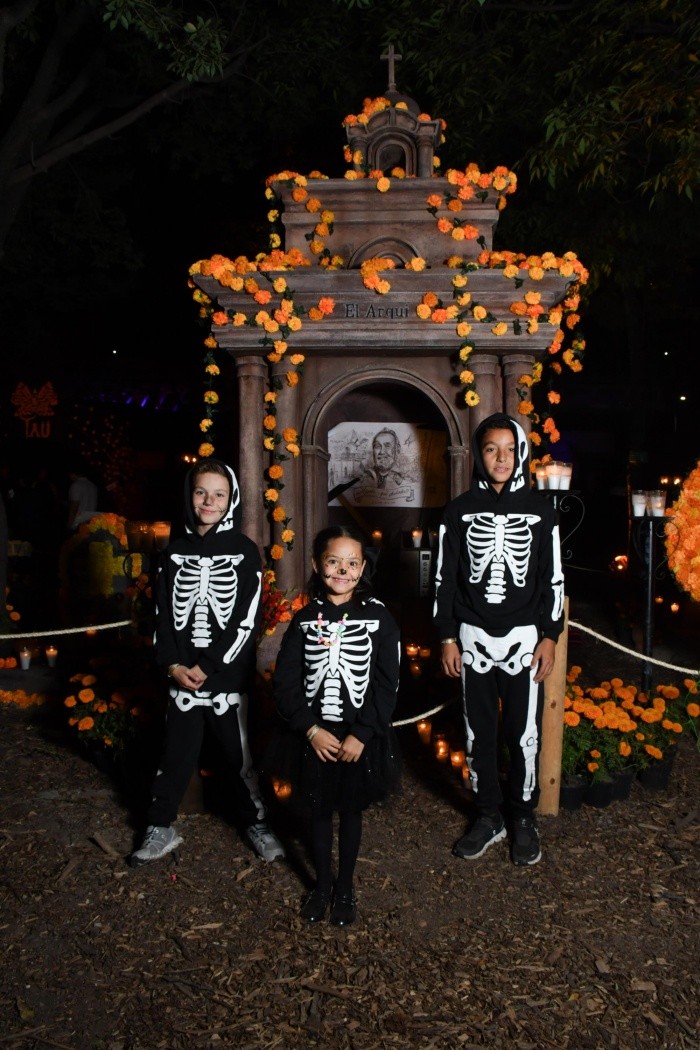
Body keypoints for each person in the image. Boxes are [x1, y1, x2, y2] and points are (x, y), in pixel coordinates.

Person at [130, 458, 285, 866]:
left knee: (239, 758)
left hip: (226, 679)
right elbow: (163, 616)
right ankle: (160, 825)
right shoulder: (173, 552)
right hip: (181, 676)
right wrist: (172, 666)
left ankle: (257, 823)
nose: (209, 501)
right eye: (201, 492)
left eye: (219, 494)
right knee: (174, 756)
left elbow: (246, 620)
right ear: (189, 495)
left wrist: (209, 665)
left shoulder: (244, 551)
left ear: (231, 499)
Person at [433, 413, 564, 866]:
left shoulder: (542, 511)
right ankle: (488, 814)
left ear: (521, 453)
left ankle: (523, 817)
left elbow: (553, 578)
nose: (501, 458)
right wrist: (446, 636)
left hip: (525, 640)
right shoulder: (458, 511)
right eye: (491, 449)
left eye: (509, 449)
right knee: (478, 733)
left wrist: (550, 635)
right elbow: (444, 579)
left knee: (523, 735)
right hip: (472, 638)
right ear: (479, 454)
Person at [271, 525, 401, 926]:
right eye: (333, 561)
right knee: (318, 811)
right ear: (317, 564)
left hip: (359, 737)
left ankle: (345, 887)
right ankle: (322, 885)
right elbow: (285, 683)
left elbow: (386, 683)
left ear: (362, 568)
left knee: (351, 811)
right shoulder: (304, 619)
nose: (342, 570)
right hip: (315, 736)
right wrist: (310, 729)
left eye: (351, 563)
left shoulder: (379, 618)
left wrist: (363, 733)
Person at [66, 461, 99, 529]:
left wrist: (69, 525)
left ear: (72, 474)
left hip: (78, 523)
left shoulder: (76, 485)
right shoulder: (93, 486)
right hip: (90, 523)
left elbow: (74, 507)